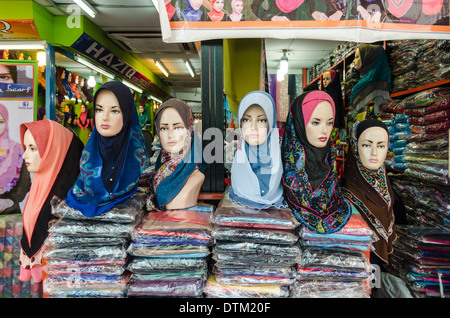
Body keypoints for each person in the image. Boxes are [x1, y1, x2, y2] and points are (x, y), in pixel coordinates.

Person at [65, 81, 149, 217]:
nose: (104, 117)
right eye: (99, 109)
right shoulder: (87, 155)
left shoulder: (136, 157)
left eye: (114, 111)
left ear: (127, 114)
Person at [18, 119, 83, 283]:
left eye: (33, 148)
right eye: (26, 148)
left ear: (53, 151)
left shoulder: (65, 202)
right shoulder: (39, 186)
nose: (25, 154)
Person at [281, 90, 351, 234]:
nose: (325, 130)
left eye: (329, 122)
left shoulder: (330, 166)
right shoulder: (279, 170)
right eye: (315, 122)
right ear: (299, 122)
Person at [341, 119, 396, 264]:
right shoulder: (348, 192)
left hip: (375, 269)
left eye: (381, 145)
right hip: (356, 267)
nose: (374, 152)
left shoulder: (384, 184)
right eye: (366, 145)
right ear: (355, 146)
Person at [229, 90, 285, 209]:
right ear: (240, 123)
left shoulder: (283, 158)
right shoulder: (237, 159)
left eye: (262, 120)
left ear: (270, 124)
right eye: (246, 120)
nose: (253, 128)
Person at [151, 98, 205, 210]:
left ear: (189, 130)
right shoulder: (160, 169)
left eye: (178, 127)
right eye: (164, 128)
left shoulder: (195, 176)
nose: (170, 135)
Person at [0, 104, 31, 215]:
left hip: (10, 214)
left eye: (0, 122)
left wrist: (8, 201)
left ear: (6, 123)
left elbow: (25, 184)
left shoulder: (18, 150)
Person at [349, 43, 392, 115]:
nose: (354, 61)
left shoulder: (379, 83)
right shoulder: (364, 81)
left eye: (357, 57)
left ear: (368, 58)